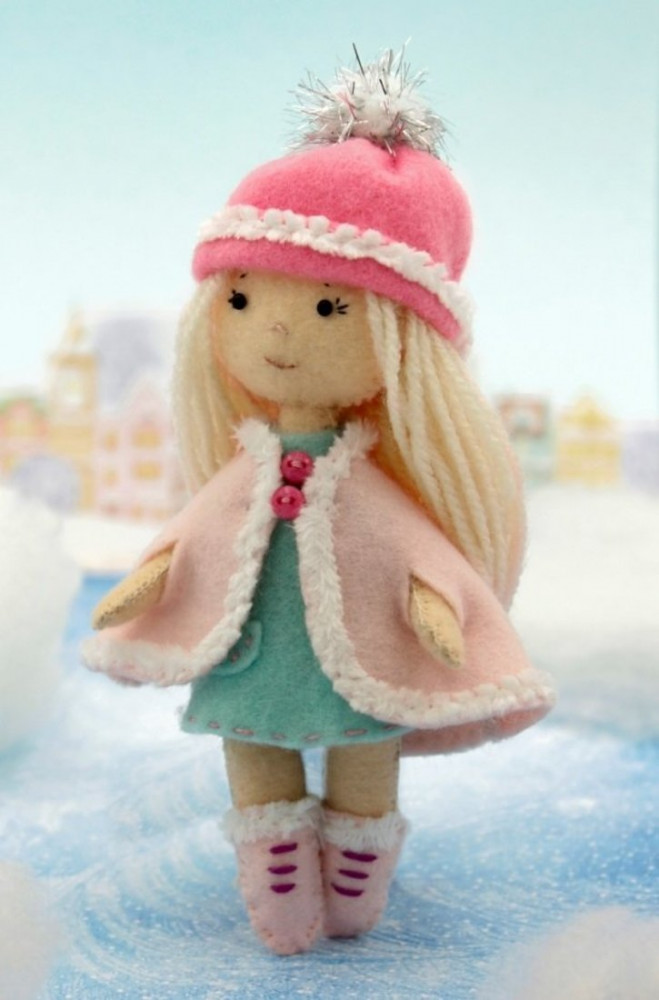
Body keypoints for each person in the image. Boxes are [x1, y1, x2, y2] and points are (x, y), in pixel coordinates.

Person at [83, 49, 554, 955]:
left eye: (331, 309)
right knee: (251, 744)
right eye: (242, 298)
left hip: (364, 655)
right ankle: (277, 872)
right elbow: (195, 534)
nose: (276, 329)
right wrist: (147, 580)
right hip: (255, 653)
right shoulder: (241, 468)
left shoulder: (371, 483)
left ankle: (354, 869)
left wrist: (434, 606)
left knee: (362, 748)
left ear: (400, 340)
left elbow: (414, 551)